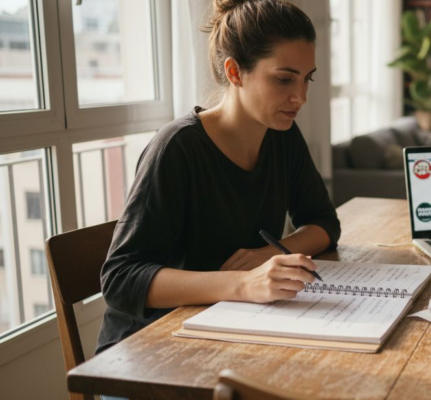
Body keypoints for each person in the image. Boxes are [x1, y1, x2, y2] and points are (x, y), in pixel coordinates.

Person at [97, 0, 340, 357]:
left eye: (307, 79)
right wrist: (243, 283)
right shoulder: (177, 148)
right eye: (284, 79)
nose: (300, 96)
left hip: (233, 330)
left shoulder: (282, 134)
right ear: (235, 72)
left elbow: (323, 223)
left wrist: (269, 253)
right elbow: (121, 279)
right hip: (147, 351)